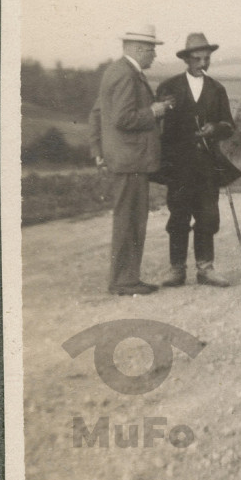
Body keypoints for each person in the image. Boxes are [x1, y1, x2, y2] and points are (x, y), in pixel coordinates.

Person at [153, 33, 241, 288]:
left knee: (207, 215)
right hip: (178, 165)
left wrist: (215, 128)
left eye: (207, 58)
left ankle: (206, 268)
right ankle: (176, 269)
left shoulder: (217, 89)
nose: (203, 63)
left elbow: (229, 126)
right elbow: (158, 125)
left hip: (207, 165)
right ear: (187, 59)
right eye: (197, 59)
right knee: (178, 214)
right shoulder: (168, 87)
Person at [88, 26, 171, 296]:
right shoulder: (126, 74)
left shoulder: (117, 71)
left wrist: (98, 148)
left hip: (124, 159)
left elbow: (97, 113)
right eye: (151, 49)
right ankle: (124, 280)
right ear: (137, 49)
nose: (154, 54)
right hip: (131, 161)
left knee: (129, 219)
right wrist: (155, 111)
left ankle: (126, 277)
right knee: (130, 220)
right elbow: (123, 119)